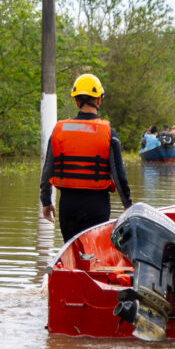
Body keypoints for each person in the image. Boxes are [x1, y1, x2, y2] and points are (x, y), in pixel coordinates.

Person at [40, 74, 132, 241]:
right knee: (93, 255)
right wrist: (127, 205)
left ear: (76, 101)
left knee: (72, 253)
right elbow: (119, 176)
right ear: (99, 100)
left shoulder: (59, 130)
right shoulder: (109, 133)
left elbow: (48, 170)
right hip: (97, 205)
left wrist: (46, 201)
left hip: (68, 205)